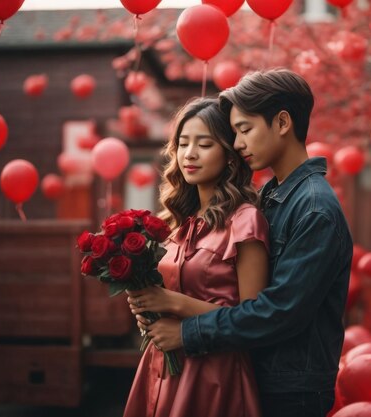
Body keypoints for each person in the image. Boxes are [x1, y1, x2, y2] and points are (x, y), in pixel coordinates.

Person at [137, 69, 354, 417]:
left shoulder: (315, 210)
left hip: (290, 392)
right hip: (258, 376)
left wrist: (186, 332)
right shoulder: (273, 194)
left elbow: (278, 313)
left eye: (245, 130)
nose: (238, 144)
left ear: (282, 122)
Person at [123, 97, 270, 417]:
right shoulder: (179, 220)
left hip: (213, 374)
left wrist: (171, 302)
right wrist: (146, 306)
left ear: (229, 157)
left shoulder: (245, 221)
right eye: (183, 143)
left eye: (204, 144)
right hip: (162, 364)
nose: (189, 154)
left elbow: (253, 319)